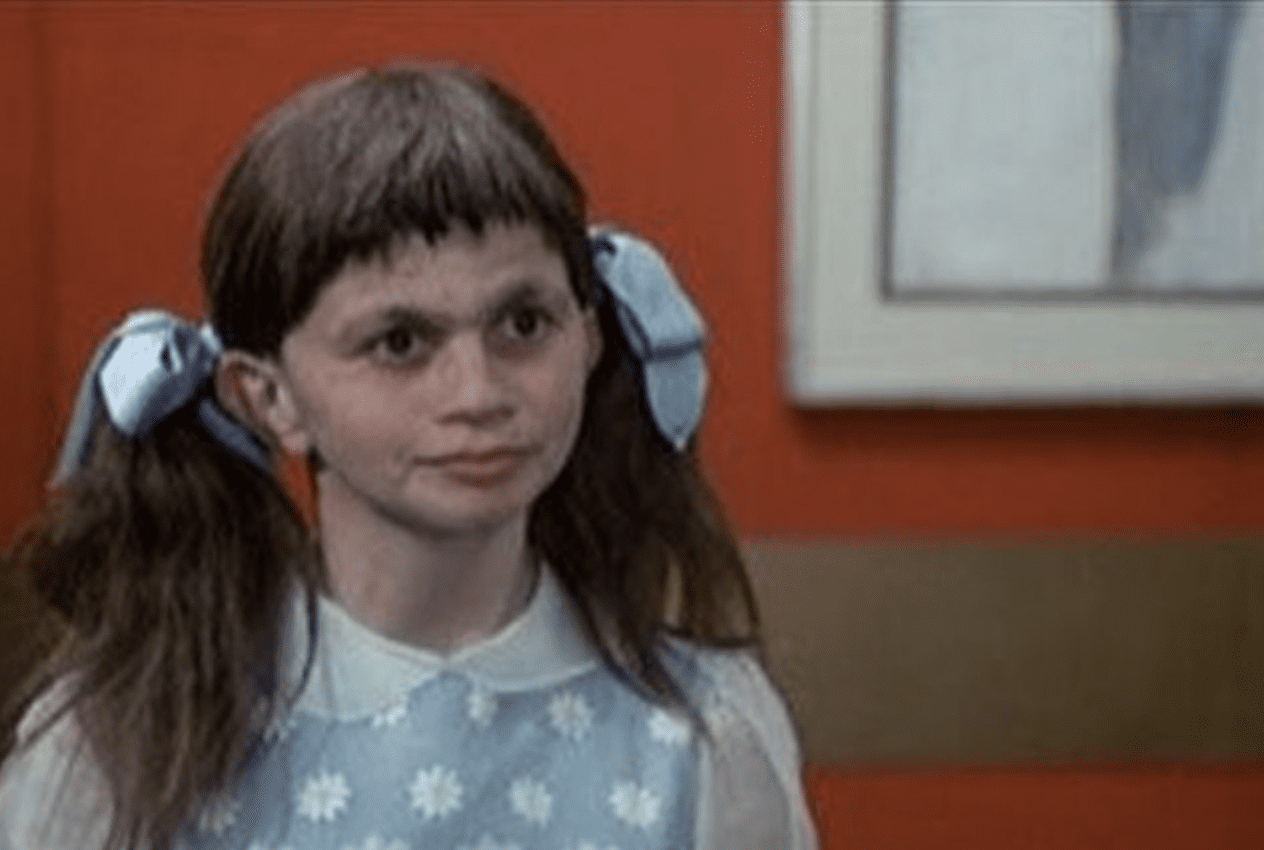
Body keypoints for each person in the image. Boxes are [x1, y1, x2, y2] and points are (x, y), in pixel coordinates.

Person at [0, 65, 817, 850]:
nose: (477, 392)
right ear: (270, 396)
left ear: (590, 339)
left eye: (523, 324)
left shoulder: (704, 736)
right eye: (399, 342)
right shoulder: (116, 742)